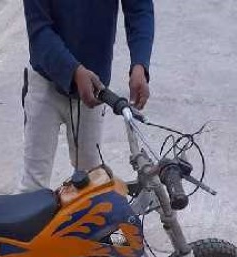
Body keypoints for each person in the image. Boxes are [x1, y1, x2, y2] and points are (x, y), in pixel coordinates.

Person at [20, 0, 155, 192]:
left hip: (93, 90)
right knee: (32, 188)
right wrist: (73, 70)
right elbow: (39, 29)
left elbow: (139, 8)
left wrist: (140, 63)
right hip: (45, 84)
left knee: (90, 185)